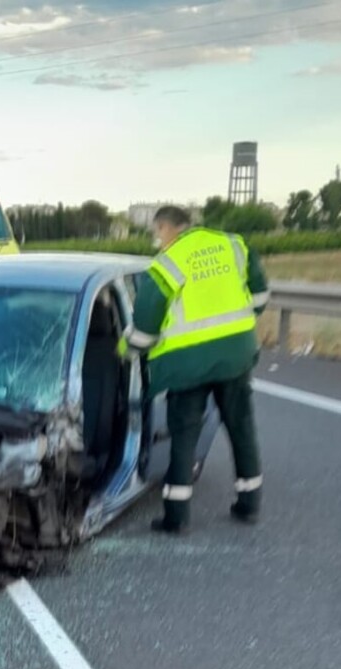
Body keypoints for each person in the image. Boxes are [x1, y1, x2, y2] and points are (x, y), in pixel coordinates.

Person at [120, 204, 270, 534]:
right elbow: (260, 297)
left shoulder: (169, 262)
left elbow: (146, 320)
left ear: (164, 228)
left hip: (187, 364)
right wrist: (235, 330)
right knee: (241, 427)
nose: (156, 239)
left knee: (184, 434)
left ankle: (177, 516)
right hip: (236, 355)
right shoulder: (233, 244)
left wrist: (126, 349)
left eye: (156, 232)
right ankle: (249, 504)